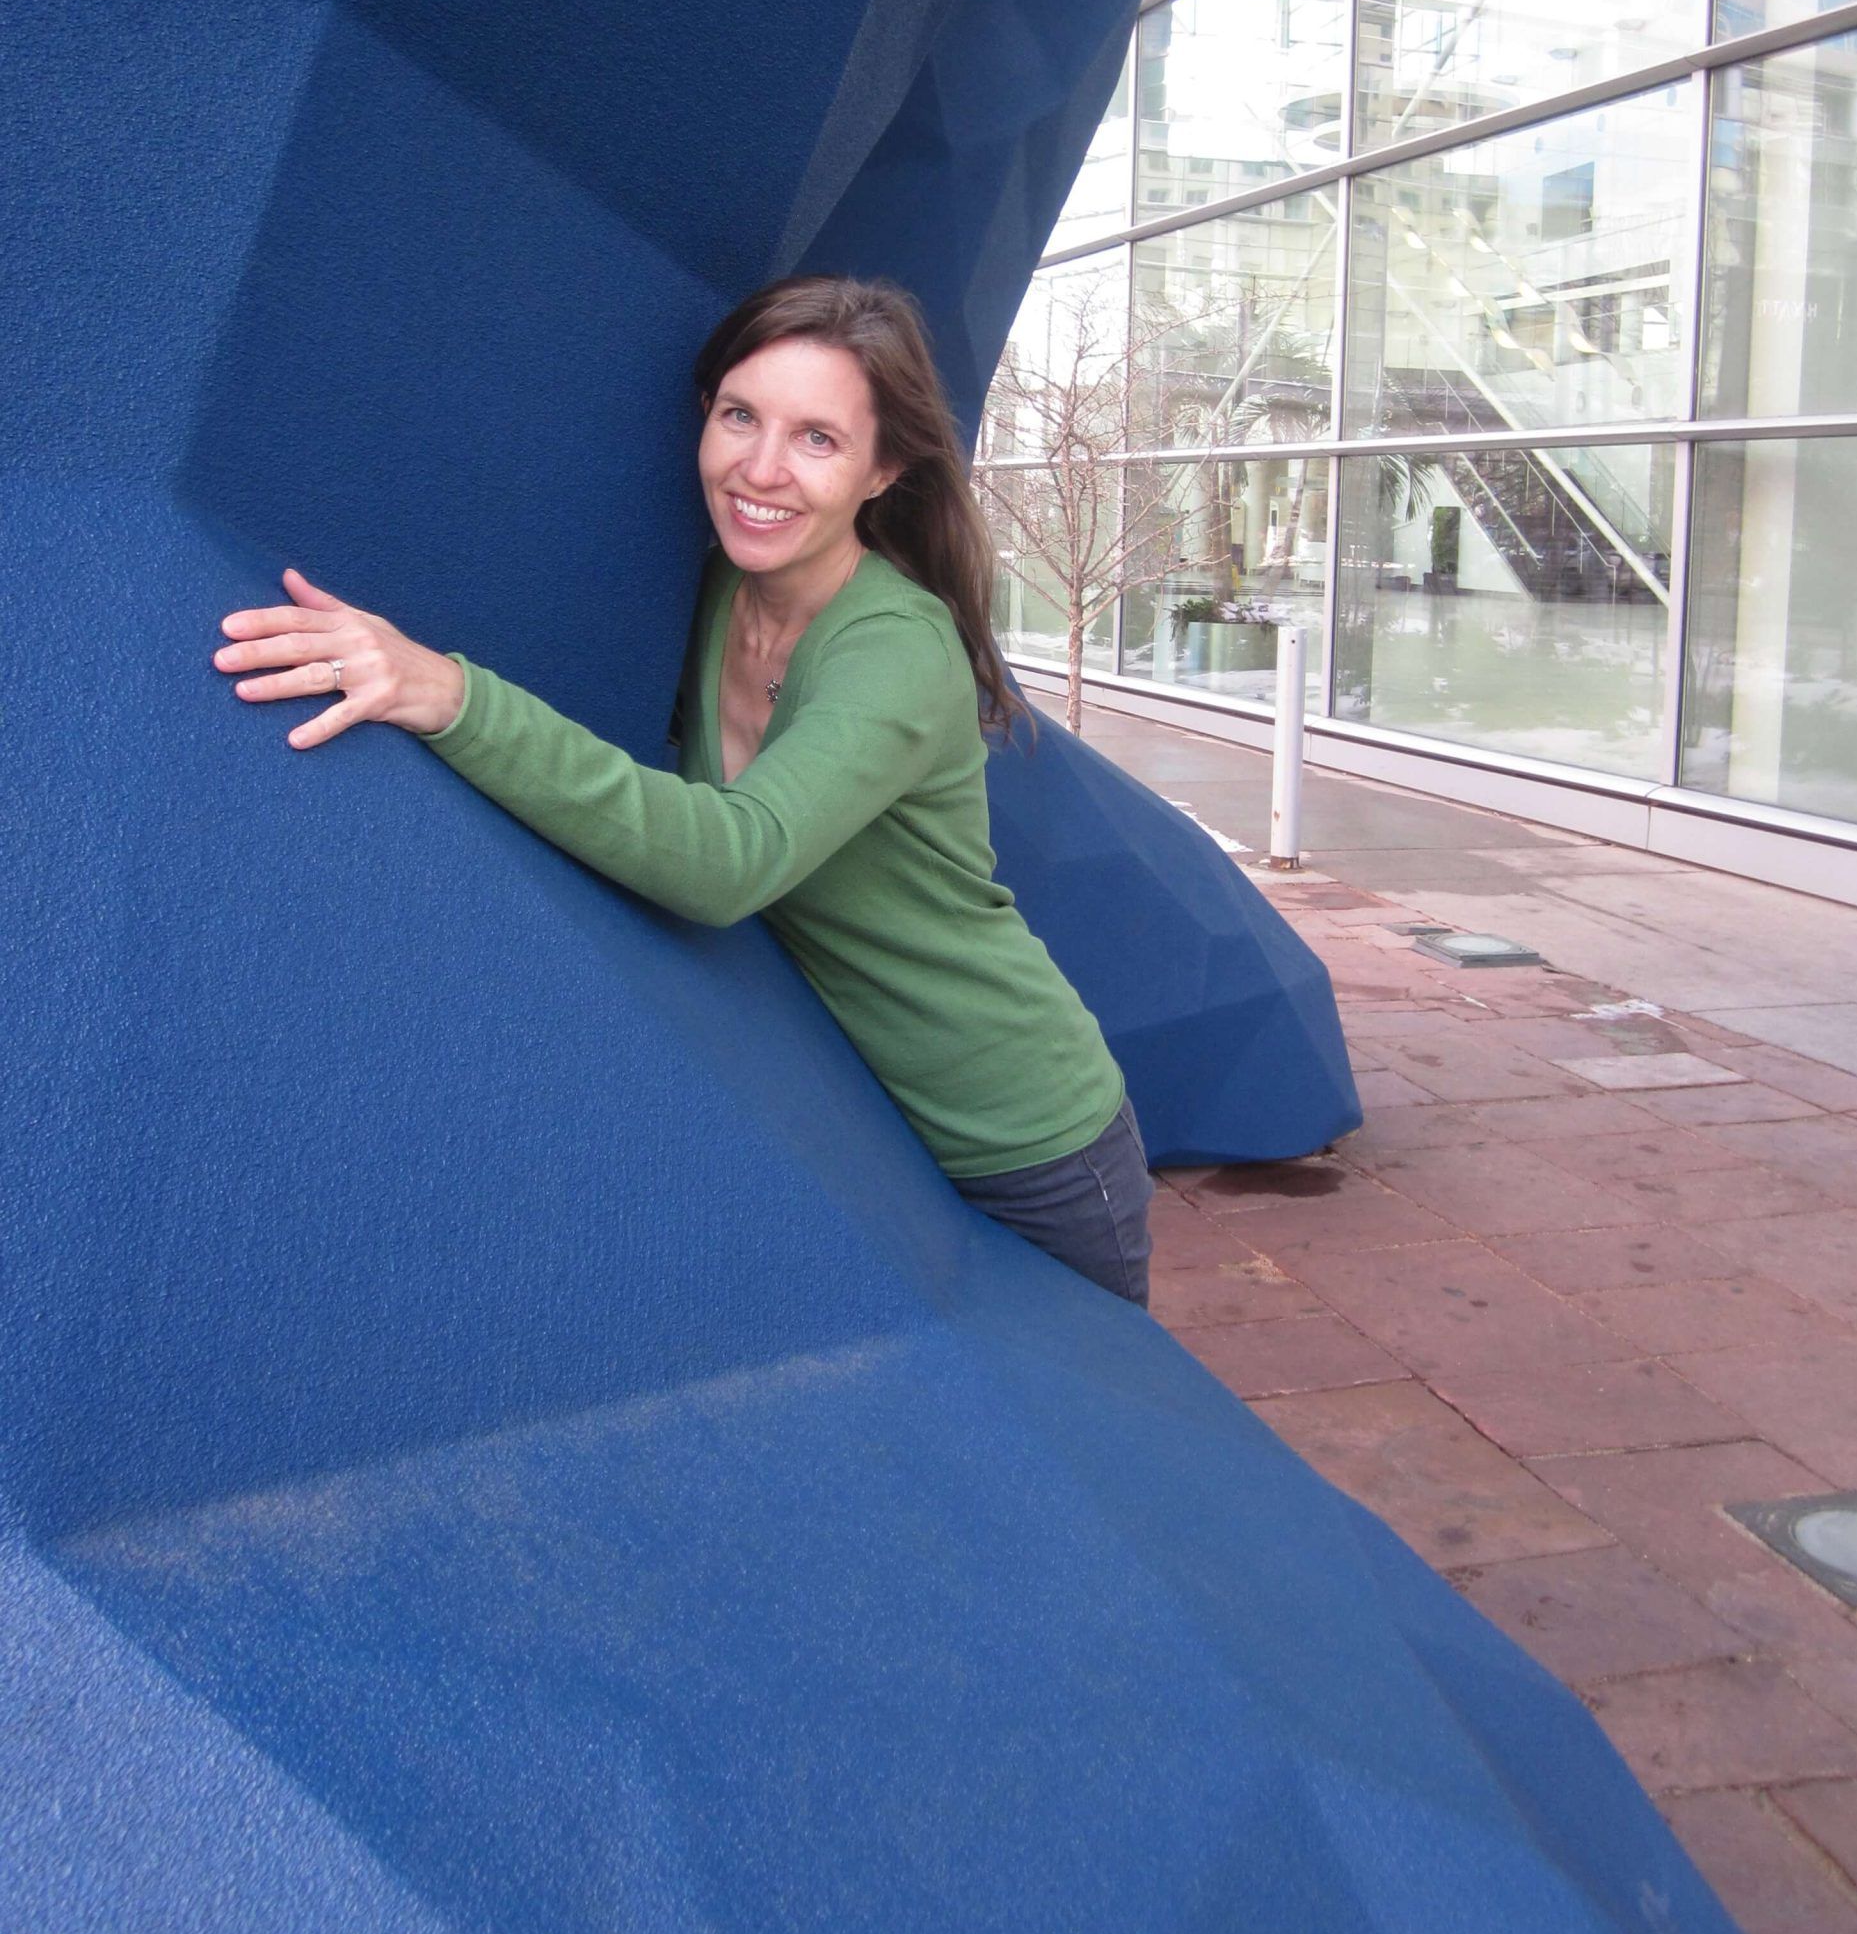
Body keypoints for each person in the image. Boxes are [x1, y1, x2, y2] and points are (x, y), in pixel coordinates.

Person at [210, 276, 1154, 1306]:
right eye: (740, 415)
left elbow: (728, 861)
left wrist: (449, 694)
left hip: (1024, 1137)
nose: (761, 468)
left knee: (1092, 1411)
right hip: (864, 1125)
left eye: (817, 439)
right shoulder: (716, 590)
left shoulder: (898, 647)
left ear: (884, 469)